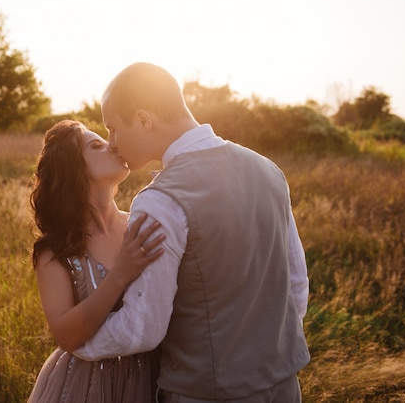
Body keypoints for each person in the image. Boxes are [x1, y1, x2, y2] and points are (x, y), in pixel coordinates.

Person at [72, 63, 311, 403]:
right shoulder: (268, 170)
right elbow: (296, 285)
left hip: (206, 392)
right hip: (284, 383)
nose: (112, 143)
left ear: (143, 119)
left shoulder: (159, 201)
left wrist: (77, 343)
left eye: (113, 128)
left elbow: (143, 328)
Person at [27, 120, 166, 402]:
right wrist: (120, 274)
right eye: (96, 146)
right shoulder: (55, 249)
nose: (113, 145)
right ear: (73, 168)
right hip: (86, 385)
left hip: (151, 379)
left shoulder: (142, 224)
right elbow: (66, 336)